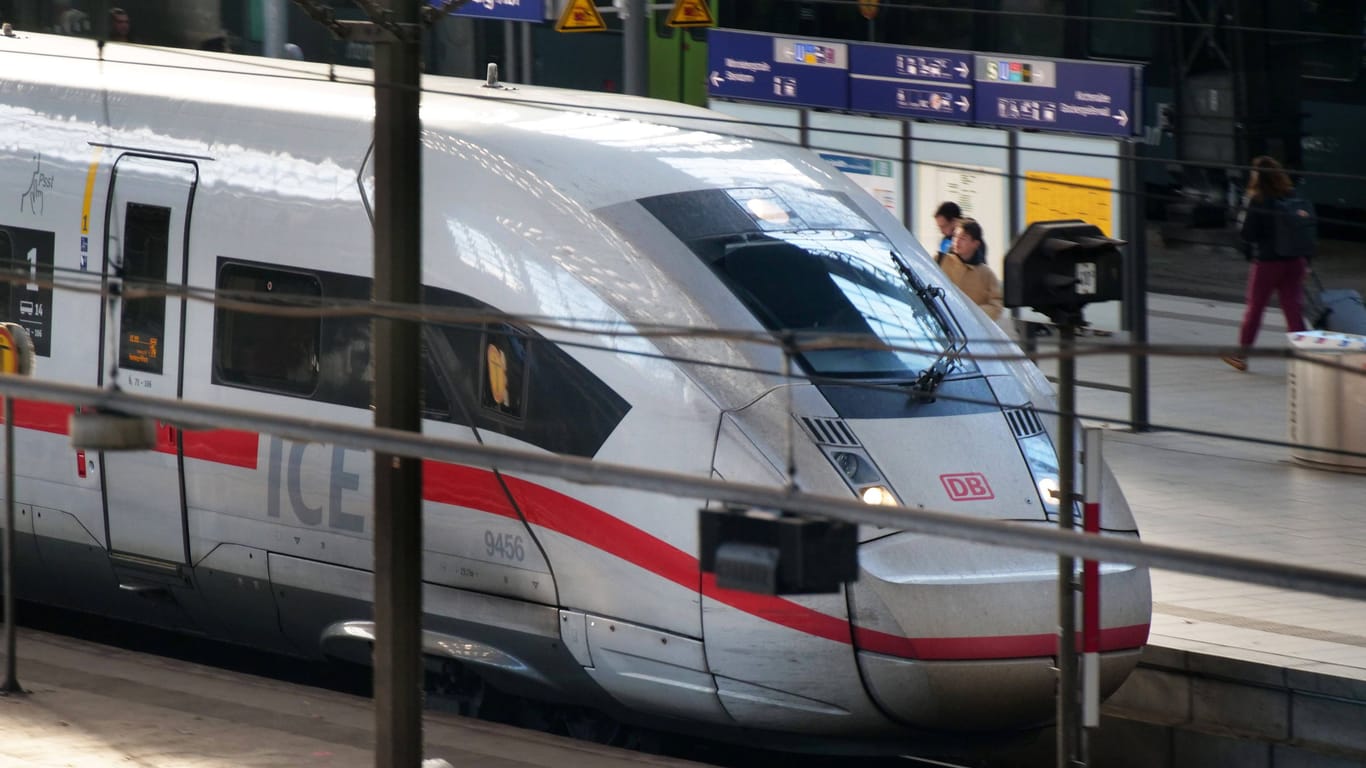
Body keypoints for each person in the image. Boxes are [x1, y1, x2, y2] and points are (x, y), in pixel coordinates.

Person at [1222, 156, 1309, 371]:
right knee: (1293, 310)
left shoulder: (1258, 199)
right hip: (1294, 261)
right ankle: (1307, 355)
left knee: (1255, 308)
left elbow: (1247, 234)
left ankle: (1241, 355)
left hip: (1268, 263)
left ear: (1256, 176)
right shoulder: (1292, 196)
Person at [936, 218, 1003, 321]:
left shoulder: (986, 275)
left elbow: (996, 306)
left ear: (975, 244)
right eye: (955, 236)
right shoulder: (939, 261)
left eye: (963, 238)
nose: (957, 241)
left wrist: (972, 313)